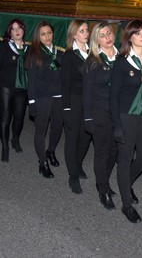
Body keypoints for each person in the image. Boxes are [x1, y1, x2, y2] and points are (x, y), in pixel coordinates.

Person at [110, 20, 142, 222]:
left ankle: (127, 183)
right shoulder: (122, 62)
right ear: (129, 37)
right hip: (126, 116)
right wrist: (117, 125)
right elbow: (113, 96)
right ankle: (127, 205)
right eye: (138, 33)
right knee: (125, 160)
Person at [82, 22, 118, 210]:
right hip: (99, 111)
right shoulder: (93, 60)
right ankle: (103, 189)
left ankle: (103, 179)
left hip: (117, 113)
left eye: (109, 33)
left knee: (114, 151)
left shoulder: (122, 57)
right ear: (97, 39)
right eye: (102, 35)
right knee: (102, 151)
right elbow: (86, 92)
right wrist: (88, 117)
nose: (107, 37)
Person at [26, 21, 64, 178]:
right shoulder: (34, 53)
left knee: (57, 127)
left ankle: (51, 151)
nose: (47, 36)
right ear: (38, 36)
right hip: (42, 97)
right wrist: (32, 102)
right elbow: (32, 81)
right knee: (41, 131)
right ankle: (42, 162)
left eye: (49, 33)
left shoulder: (59, 51)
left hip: (59, 96)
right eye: (43, 34)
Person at [60, 19, 91, 194]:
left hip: (89, 101)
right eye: (81, 31)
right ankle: (73, 176)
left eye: (86, 30)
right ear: (73, 34)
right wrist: (65, 108)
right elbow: (64, 84)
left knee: (86, 136)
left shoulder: (93, 52)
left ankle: (77, 164)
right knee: (72, 138)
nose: (85, 33)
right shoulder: (69, 55)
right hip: (73, 100)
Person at [0, 19, 29, 162]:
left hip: (21, 89)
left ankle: (15, 139)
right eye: (13, 29)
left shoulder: (28, 49)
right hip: (6, 87)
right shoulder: (4, 47)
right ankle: (5, 146)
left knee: (19, 118)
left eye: (19, 28)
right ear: (10, 32)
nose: (17, 31)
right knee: (5, 118)